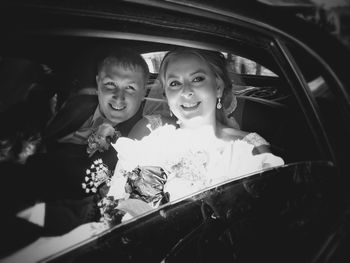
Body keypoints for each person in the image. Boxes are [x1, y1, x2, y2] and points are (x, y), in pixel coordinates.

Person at [101, 47, 284, 223]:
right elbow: (126, 210)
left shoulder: (249, 148)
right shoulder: (153, 144)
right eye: (174, 83)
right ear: (165, 94)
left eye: (197, 79)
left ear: (218, 87)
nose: (186, 91)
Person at [21, 48, 150, 235]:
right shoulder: (80, 105)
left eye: (130, 87)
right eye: (110, 84)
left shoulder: (140, 139)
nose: (118, 96)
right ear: (98, 84)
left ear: (143, 91)